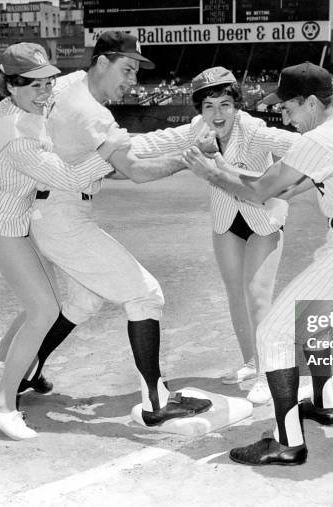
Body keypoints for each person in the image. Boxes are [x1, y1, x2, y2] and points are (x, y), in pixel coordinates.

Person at [182, 62, 333, 465]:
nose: (284, 116)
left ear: (310, 101)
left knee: (274, 333)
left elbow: (261, 190)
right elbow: (291, 185)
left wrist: (212, 172)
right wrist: (226, 171)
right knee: (314, 323)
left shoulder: (321, 139)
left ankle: (286, 441)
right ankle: (323, 403)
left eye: (288, 107)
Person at [27, 31, 212, 426]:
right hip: (62, 216)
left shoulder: (66, 85)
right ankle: (155, 401)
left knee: (83, 301)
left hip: (48, 209)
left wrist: (185, 137)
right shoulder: (91, 113)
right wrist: (188, 158)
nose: (132, 81)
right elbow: (136, 171)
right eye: (127, 69)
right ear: (101, 62)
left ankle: (29, 367)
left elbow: (126, 154)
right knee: (145, 295)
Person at [0, 42, 127, 439]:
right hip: (0, 227)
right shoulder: (17, 138)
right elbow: (73, 179)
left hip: (19, 221)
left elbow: (71, 85)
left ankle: (1, 354)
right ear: (10, 86)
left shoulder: (21, 105)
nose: (45, 92)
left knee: (42, 305)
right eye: (34, 86)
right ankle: (3, 406)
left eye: (48, 82)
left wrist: (93, 73)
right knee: (43, 311)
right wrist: (108, 150)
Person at [130, 66, 299, 404]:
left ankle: (270, 374)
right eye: (208, 106)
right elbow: (155, 140)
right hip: (226, 219)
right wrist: (108, 144)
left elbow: (295, 144)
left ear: (236, 104)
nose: (217, 113)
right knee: (235, 293)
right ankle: (252, 362)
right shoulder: (197, 129)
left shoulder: (253, 129)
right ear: (199, 109)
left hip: (262, 217)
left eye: (224, 104)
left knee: (257, 294)